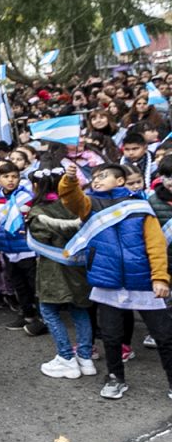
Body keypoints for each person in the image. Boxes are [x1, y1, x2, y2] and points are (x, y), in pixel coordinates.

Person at [59, 162, 172, 400]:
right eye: (95, 177)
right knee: (110, 336)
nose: (97, 180)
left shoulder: (140, 206)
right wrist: (69, 180)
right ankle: (115, 378)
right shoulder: (90, 204)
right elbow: (70, 199)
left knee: (164, 335)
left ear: (120, 181)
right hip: (107, 280)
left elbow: (156, 245)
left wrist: (160, 277)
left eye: (103, 176)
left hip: (143, 280)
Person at [24, 168, 95, 380]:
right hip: (78, 267)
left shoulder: (39, 212)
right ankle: (85, 357)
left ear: (38, 186)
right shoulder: (76, 206)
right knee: (79, 310)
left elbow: (41, 237)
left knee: (49, 310)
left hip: (53, 269)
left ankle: (65, 357)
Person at [0, 161, 44, 335]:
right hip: (7, 250)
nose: (10, 180)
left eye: (14, 176)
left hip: (27, 249)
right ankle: (27, 315)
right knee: (18, 284)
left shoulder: (27, 197)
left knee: (34, 285)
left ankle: (43, 318)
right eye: (6, 177)